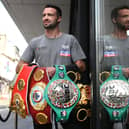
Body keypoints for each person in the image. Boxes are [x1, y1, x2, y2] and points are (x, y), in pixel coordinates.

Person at [16, 4, 87, 129]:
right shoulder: (35, 42)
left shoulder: (70, 40)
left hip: (66, 93)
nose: (46, 18)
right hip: (41, 95)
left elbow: (81, 66)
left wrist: (58, 69)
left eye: (50, 15)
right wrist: (37, 71)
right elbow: (19, 67)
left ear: (59, 18)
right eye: (44, 15)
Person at [99, 5, 129, 129]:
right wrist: (122, 71)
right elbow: (97, 67)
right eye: (124, 16)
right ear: (114, 19)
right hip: (107, 96)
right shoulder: (102, 41)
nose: (128, 19)